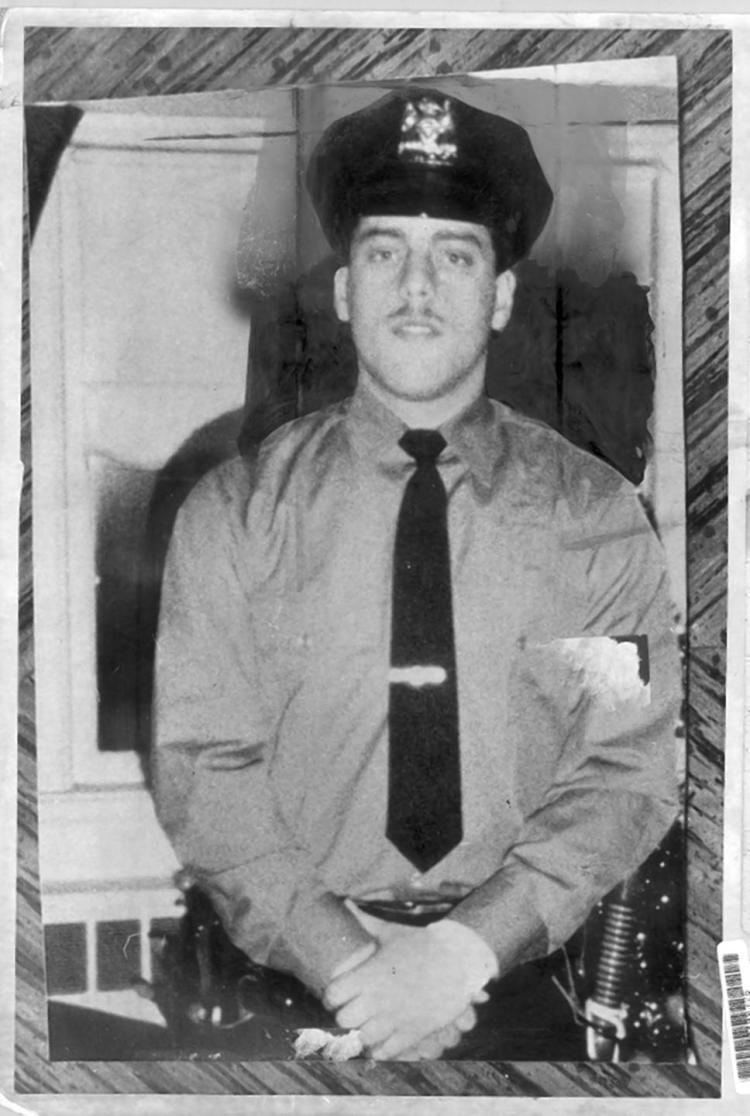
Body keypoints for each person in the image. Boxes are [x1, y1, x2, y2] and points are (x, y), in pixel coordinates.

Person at [153, 86, 681, 1061]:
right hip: (284, 993)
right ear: (347, 289)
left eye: (457, 254)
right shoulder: (231, 516)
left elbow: (623, 767)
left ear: (504, 295)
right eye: (386, 250)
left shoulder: (593, 520)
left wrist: (460, 954)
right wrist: (354, 967)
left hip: (507, 989)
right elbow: (207, 776)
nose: (418, 285)